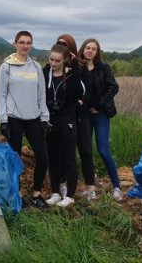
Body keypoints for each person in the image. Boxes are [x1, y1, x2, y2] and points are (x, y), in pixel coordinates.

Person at [0, 30, 50, 208]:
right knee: (15, 158)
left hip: (33, 118)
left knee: (43, 157)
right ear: (15, 44)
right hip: (14, 119)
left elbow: (41, 95)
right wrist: (3, 120)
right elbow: (1, 95)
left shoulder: (35, 67)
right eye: (22, 42)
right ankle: (17, 193)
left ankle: (36, 194)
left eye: (28, 42)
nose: (25, 46)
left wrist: (44, 118)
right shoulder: (7, 66)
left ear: (31, 44)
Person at [78, 37, 123, 201]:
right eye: (87, 48)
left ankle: (117, 186)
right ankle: (91, 186)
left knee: (103, 150)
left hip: (101, 114)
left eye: (93, 49)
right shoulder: (79, 68)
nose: (90, 51)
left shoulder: (104, 68)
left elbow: (114, 87)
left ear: (97, 52)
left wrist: (99, 105)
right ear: (83, 49)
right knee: (86, 151)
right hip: (85, 115)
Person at [55, 33, 97, 200]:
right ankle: (63, 184)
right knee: (65, 151)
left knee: (86, 151)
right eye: (59, 44)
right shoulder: (54, 64)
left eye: (65, 44)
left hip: (80, 116)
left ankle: (90, 186)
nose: (62, 47)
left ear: (71, 47)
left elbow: (88, 90)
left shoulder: (79, 66)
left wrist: (80, 102)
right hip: (63, 117)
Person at [42, 43, 84, 208]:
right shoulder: (46, 73)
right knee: (53, 159)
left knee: (69, 159)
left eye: (57, 61)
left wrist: (74, 65)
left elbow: (78, 93)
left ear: (65, 60)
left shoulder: (72, 75)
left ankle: (70, 195)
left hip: (67, 122)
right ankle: (55, 192)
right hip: (50, 121)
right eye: (51, 59)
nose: (53, 63)